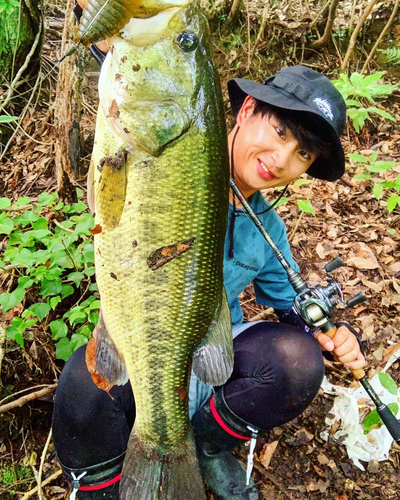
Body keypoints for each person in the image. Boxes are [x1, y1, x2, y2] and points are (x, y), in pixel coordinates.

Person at [52, 63, 366, 500]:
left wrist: (332, 332)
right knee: (83, 392)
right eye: (279, 131)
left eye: (303, 154)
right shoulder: (167, 168)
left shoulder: (268, 228)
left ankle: (203, 446)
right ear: (247, 109)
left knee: (299, 361)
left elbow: (290, 308)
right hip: (146, 342)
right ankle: (104, 486)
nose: (282, 159)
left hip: (212, 353)